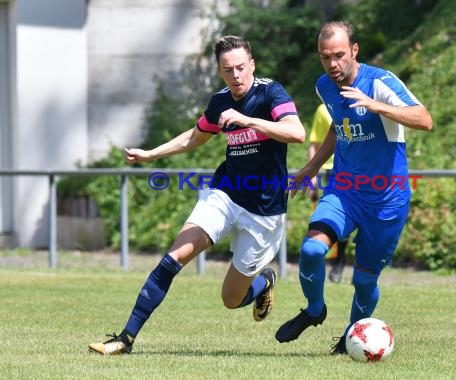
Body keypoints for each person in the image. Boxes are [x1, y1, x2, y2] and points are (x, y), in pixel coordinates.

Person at [88, 35, 305, 355]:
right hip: (225, 194)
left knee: (231, 299)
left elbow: (296, 132)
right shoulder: (220, 102)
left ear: (252, 65)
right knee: (174, 257)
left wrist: (248, 120)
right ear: (220, 71)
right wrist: (151, 155)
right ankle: (125, 338)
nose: (236, 76)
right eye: (228, 70)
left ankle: (263, 282)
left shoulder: (271, 93)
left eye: (241, 68)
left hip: (265, 209)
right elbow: (195, 136)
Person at [275, 21, 432, 354]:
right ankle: (315, 310)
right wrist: (311, 167)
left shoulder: (380, 82)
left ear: (354, 50)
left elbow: (424, 119)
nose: (332, 64)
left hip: (387, 199)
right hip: (344, 190)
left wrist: (377, 106)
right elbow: (338, 123)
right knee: (312, 250)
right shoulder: (324, 86)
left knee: (363, 281)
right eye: (325, 57)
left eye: (339, 55)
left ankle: (349, 339)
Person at [308, 103, 349, 283]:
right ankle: (324, 262)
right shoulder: (322, 109)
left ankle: (340, 262)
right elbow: (314, 143)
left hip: (350, 170)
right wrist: (312, 174)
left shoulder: (357, 104)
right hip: (327, 170)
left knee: (347, 220)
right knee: (324, 220)